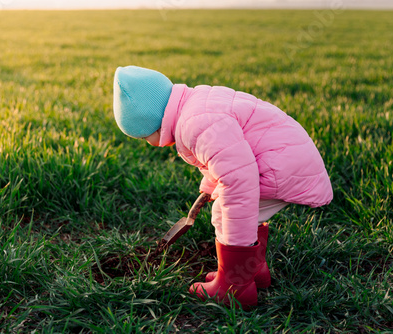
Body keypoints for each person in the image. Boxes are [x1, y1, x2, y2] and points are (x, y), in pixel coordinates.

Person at [113, 65, 333, 309]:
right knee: (246, 209)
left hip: (284, 166)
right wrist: (210, 185)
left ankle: (234, 287)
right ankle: (254, 270)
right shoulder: (196, 104)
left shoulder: (194, 124)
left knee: (226, 212)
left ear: (152, 120)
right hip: (288, 158)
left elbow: (238, 179)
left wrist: (224, 199)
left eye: (145, 137)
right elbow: (227, 155)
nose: (151, 144)